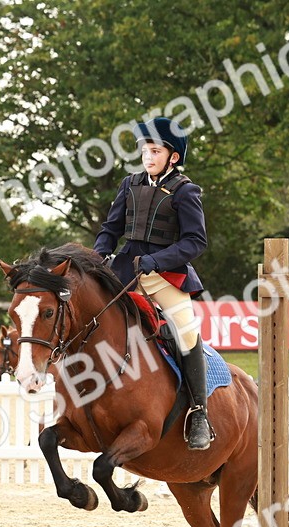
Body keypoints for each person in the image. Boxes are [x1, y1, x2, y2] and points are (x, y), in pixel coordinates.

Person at [93, 116, 213, 450]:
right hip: (125, 272)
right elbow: (110, 228)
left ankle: (199, 414)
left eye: (156, 150)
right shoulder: (129, 184)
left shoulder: (186, 191)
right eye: (145, 150)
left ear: (172, 157)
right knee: (92, 318)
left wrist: (156, 261)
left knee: (187, 333)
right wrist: (100, 252)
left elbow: (195, 242)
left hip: (165, 276)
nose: (148, 156)